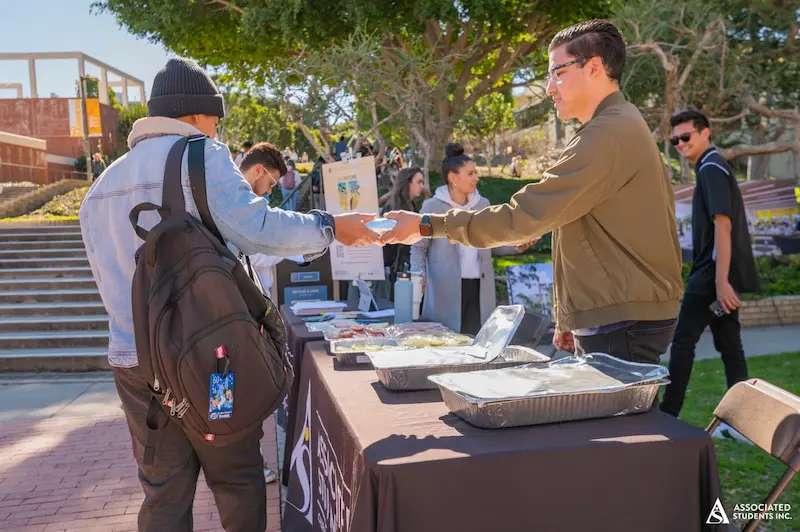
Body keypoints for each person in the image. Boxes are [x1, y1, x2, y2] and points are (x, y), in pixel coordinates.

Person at [78, 57, 381, 532]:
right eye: (215, 118)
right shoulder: (200, 154)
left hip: (136, 367)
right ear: (197, 114)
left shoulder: (100, 188)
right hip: (210, 357)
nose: (218, 129)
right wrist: (331, 226)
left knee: (163, 493)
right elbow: (259, 227)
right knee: (237, 477)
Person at [384, 20, 683, 363]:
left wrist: (426, 225)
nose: (549, 88)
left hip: (621, 319)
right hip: (617, 315)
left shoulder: (608, 134)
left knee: (621, 419)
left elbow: (524, 217)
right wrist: (570, 313)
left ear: (595, 67)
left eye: (558, 72)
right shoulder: (615, 126)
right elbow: (578, 225)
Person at [660, 109, 760, 420]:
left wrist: (720, 282)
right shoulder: (712, 166)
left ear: (706, 133)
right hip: (717, 273)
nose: (680, 143)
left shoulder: (711, 168)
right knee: (730, 345)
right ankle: (742, 421)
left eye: (686, 137)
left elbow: (723, 225)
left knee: (683, 341)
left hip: (711, 274)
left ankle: (668, 413)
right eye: (675, 139)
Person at [411, 145, 530, 334]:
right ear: (453, 178)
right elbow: (419, 247)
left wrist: (517, 246)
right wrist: (418, 276)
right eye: (471, 173)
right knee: (445, 343)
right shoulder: (431, 206)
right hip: (445, 289)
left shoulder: (483, 205)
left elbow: (492, 243)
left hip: (479, 289)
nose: (477, 178)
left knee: (477, 341)